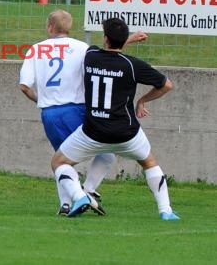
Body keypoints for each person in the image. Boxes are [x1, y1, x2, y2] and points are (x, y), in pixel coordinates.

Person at [19, 10, 147, 216]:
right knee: (106, 153)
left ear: (49, 27)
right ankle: (86, 192)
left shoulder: (35, 50)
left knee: (61, 159)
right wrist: (129, 39)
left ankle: (66, 204)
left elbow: (24, 86)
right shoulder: (81, 48)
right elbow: (107, 54)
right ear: (69, 28)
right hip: (76, 110)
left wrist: (41, 100)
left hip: (50, 114)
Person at [51, 17, 179, 220]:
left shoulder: (91, 56)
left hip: (93, 132)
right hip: (127, 133)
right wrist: (142, 100)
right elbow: (167, 85)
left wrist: (128, 39)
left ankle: (80, 195)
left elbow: (108, 49)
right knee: (149, 163)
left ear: (105, 38)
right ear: (121, 40)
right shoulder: (132, 65)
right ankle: (166, 211)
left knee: (59, 162)